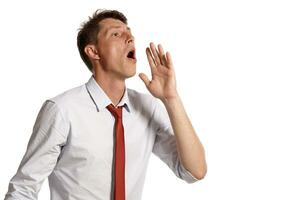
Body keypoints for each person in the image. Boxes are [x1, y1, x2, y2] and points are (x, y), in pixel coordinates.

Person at [4, 9, 207, 200]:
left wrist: (171, 98)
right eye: (116, 35)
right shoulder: (62, 110)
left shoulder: (147, 107)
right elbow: (23, 189)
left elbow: (194, 171)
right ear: (93, 52)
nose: (130, 38)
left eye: (130, 33)